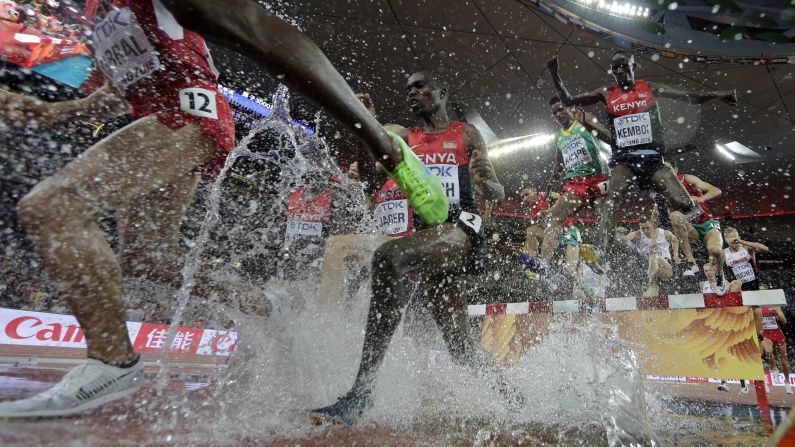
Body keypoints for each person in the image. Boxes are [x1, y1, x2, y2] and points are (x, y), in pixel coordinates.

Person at [0, 0, 448, 418]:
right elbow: (116, 92)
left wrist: (373, 133)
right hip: (155, 118)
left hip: (187, 115)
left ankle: (112, 359)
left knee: (50, 206)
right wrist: (48, 113)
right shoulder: (99, 11)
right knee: (147, 257)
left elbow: (266, 32)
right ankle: (262, 303)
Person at [309, 71, 513, 426]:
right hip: (430, 241)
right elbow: (372, 181)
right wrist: (365, 125)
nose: (412, 94)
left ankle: (361, 393)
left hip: (462, 229)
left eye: (421, 87)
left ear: (443, 92)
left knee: (389, 257)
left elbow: (488, 178)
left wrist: (492, 188)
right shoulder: (403, 137)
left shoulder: (465, 133)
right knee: (461, 347)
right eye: (408, 90)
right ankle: (513, 397)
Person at [546, 52, 737, 270]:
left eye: (622, 66)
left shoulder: (649, 87)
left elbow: (688, 95)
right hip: (625, 161)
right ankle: (602, 253)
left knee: (683, 201)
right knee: (612, 199)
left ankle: (708, 229)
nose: (619, 71)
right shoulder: (607, 93)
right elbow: (569, 100)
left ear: (633, 65)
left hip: (652, 159)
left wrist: (717, 94)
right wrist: (554, 73)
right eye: (614, 68)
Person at [538, 96, 610, 269]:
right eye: (554, 112)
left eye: (561, 109)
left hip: (598, 178)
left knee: (605, 216)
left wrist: (587, 124)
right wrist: (547, 190)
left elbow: (607, 136)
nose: (558, 114)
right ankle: (544, 266)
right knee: (554, 217)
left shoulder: (584, 121)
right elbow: (558, 165)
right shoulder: (559, 138)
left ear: (571, 108)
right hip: (575, 184)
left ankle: (601, 254)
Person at [666, 161, 723, 278]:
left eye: (668, 168)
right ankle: (691, 262)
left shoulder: (687, 178)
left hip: (707, 224)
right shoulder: (664, 190)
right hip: (691, 229)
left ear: (675, 169)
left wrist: (701, 198)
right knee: (674, 215)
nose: (666, 172)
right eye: (663, 170)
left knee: (714, 250)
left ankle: (719, 273)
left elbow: (716, 190)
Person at [627, 214, 681, 297]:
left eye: (647, 227)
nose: (645, 231)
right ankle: (650, 278)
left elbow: (674, 240)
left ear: (653, 225)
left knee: (655, 256)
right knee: (649, 299)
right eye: (643, 228)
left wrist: (676, 254)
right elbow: (624, 240)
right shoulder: (638, 234)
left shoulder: (664, 233)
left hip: (665, 265)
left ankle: (648, 277)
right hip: (649, 266)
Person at [754, 304, 792, 394]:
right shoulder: (758, 308)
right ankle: (774, 368)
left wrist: (778, 314)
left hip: (777, 333)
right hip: (766, 334)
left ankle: (787, 383)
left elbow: (784, 321)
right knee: (768, 351)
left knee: (784, 361)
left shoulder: (776, 305)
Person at [723, 227, 768, 291]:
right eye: (729, 237)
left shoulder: (745, 246)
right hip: (739, 286)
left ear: (738, 236)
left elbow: (765, 249)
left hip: (754, 282)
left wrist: (741, 241)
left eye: (734, 236)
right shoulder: (724, 253)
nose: (732, 239)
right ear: (725, 239)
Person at [519, 187, 557, 257]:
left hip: (561, 231)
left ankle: (532, 256)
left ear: (534, 191)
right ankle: (529, 255)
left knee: (531, 230)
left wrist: (548, 211)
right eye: (522, 197)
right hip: (549, 235)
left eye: (526, 194)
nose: (524, 199)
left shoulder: (543, 195)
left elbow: (563, 199)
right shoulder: (532, 212)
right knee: (530, 234)